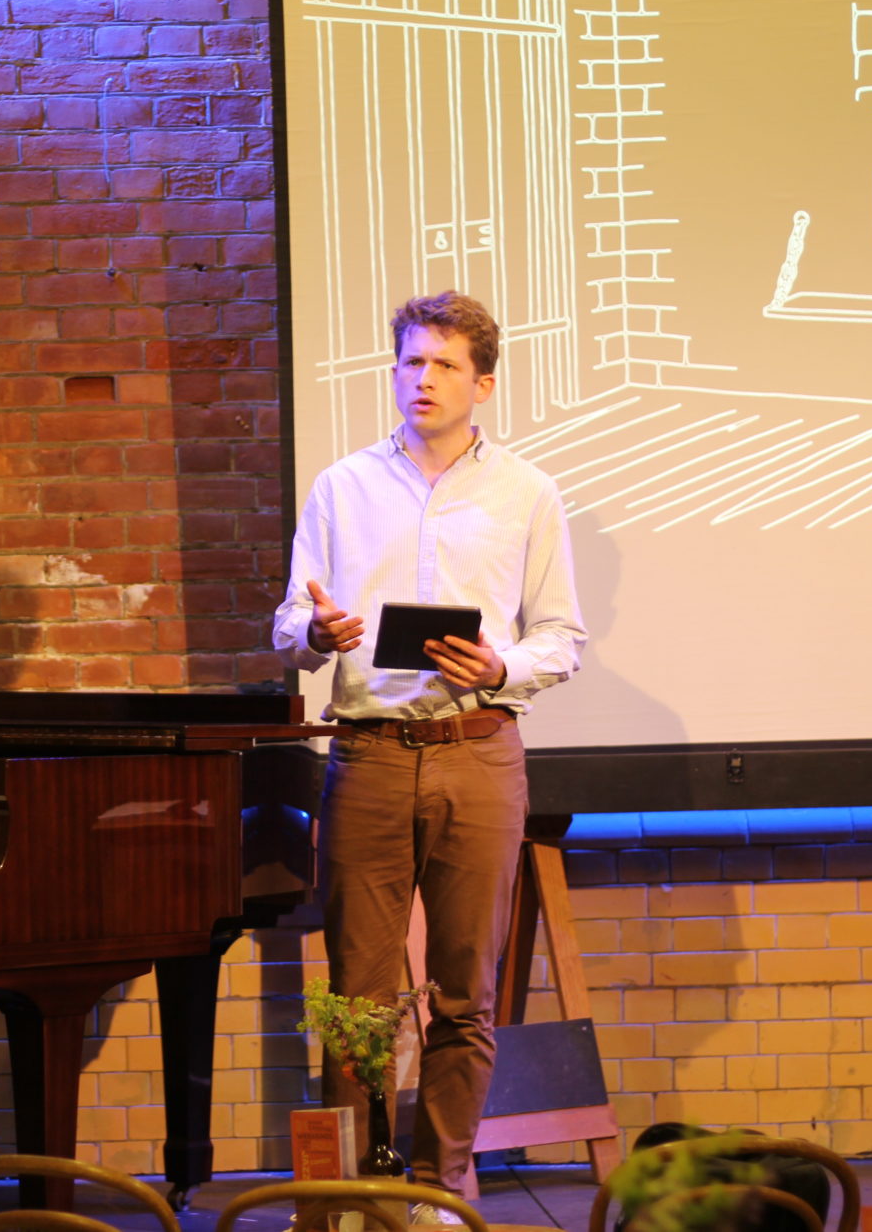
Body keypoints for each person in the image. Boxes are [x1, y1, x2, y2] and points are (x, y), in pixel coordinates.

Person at [273, 292, 586, 1211]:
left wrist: (500, 665)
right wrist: (315, 633)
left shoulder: (526, 492)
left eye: (445, 364)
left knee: (463, 993)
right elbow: (290, 622)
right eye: (412, 361)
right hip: (368, 754)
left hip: (477, 751)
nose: (424, 378)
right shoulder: (342, 487)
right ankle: (355, 1195)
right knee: (358, 999)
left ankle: (438, 1191)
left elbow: (561, 636)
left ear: (482, 383)